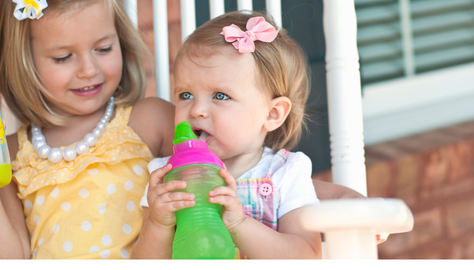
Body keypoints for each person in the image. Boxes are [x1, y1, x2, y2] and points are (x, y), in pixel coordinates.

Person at [131, 10, 372, 260]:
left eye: (220, 96)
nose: (197, 110)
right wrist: (158, 225)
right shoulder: (167, 176)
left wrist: (240, 224)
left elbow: (305, 257)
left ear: (272, 114)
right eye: (185, 95)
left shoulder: (285, 175)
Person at [0, 0, 175, 259]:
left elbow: (214, 171)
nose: (89, 70)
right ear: (23, 62)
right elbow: (12, 258)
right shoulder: (11, 152)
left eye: (103, 49)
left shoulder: (150, 120)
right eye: (63, 57)